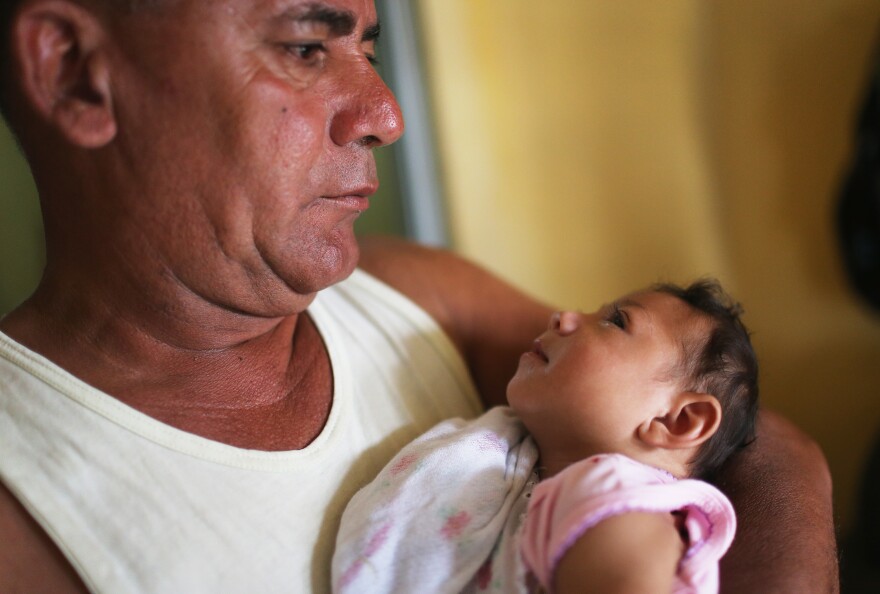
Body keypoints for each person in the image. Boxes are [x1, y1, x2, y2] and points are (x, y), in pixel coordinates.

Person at [0, 0, 836, 592]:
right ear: (76, 73)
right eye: (303, 45)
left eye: (365, 45)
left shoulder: (406, 291)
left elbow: (757, 446)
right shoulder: (26, 506)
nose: (384, 113)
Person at [333, 280, 755, 593]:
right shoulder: (533, 469)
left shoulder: (621, 503)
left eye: (615, 321)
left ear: (676, 422)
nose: (564, 316)